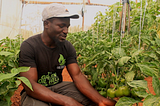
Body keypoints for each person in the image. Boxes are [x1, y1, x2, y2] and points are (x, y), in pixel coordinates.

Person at [19, 3, 116, 106]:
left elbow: (77, 75)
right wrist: (67, 101)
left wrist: (100, 100)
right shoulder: (29, 46)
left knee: (91, 99)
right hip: (35, 92)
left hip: (58, 86)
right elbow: (31, 86)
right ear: (46, 24)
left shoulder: (67, 46)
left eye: (67, 26)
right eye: (61, 26)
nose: (66, 31)